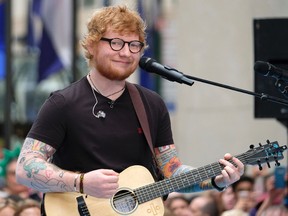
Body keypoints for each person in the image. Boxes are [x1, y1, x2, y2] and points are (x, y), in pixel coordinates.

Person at [15, 5, 244, 215]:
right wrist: (80, 182)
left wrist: (214, 180)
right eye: (116, 42)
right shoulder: (62, 103)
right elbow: (25, 168)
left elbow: (171, 173)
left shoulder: (152, 104)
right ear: (92, 45)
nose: (126, 53)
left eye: (134, 45)